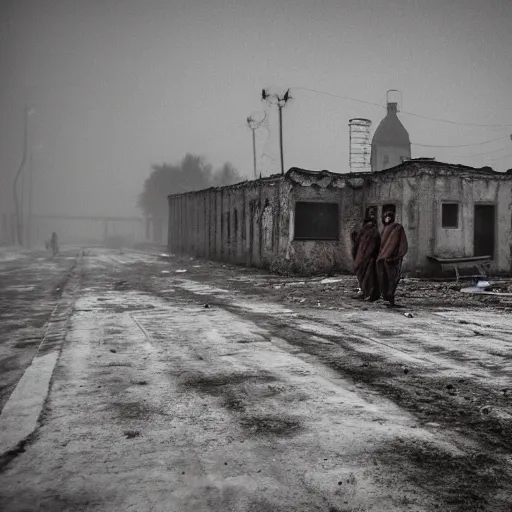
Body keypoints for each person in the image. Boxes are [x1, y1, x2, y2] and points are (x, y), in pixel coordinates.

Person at [376, 210, 408, 306]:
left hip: (393, 259)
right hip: (384, 259)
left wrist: (397, 255)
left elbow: (402, 243)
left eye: (389, 216)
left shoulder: (398, 228)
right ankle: (386, 297)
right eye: (386, 216)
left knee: (392, 279)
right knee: (384, 278)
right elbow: (382, 244)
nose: (387, 218)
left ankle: (391, 296)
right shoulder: (384, 229)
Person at [352, 213, 381, 301]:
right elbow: (357, 243)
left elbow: (373, 246)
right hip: (362, 257)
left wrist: (367, 256)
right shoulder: (363, 231)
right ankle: (365, 292)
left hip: (369, 258)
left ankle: (370, 294)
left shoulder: (373, 233)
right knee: (362, 275)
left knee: (369, 277)